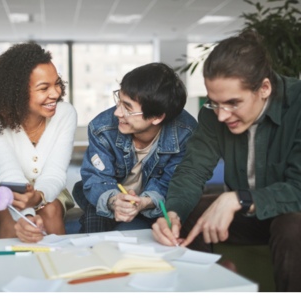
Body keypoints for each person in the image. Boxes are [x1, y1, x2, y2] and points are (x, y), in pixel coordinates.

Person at [152, 31, 301, 292]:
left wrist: (238, 198)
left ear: (264, 88)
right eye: (214, 102)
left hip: (291, 215)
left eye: (233, 103)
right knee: (190, 212)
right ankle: (205, 291)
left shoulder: (298, 105)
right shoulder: (213, 116)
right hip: (250, 218)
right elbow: (192, 170)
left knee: (292, 226)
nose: (222, 116)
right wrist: (173, 213)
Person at [0, 43, 77, 242]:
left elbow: (55, 172)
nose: (55, 93)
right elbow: (9, 172)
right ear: (16, 92)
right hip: (1, 188)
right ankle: (13, 273)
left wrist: (39, 197)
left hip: (49, 187)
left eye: (57, 83)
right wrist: (27, 215)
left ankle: (62, 269)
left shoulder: (65, 114)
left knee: (51, 210)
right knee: (13, 220)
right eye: (44, 88)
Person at [73, 63, 197, 233]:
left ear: (157, 117)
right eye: (119, 101)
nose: (117, 113)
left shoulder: (185, 132)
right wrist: (114, 200)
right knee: (94, 223)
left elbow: (172, 185)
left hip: (155, 201)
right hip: (111, 195)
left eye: (128, 108)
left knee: (167, 231)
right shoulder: (102, 127)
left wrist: (143, 202)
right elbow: (96, 178)